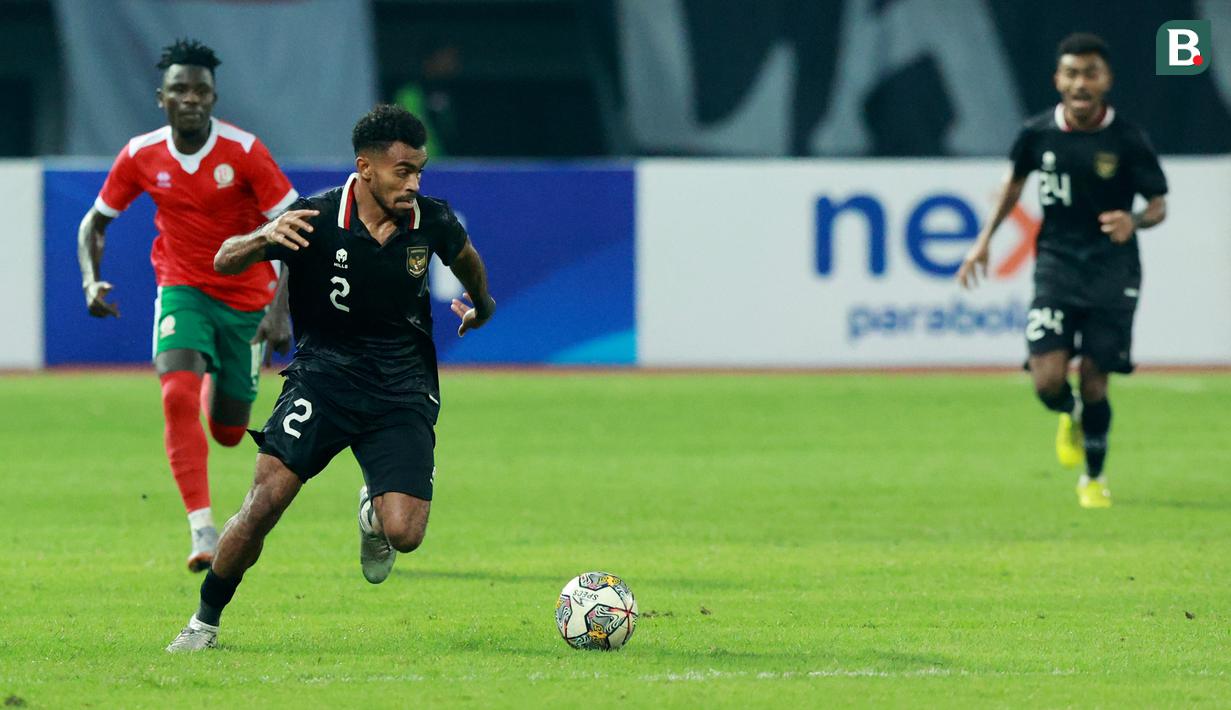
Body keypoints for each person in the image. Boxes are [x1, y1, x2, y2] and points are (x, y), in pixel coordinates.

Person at [166, 104, 496, 652]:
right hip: (323, 379)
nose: (414, 184)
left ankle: (373, 513)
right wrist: (263, 237)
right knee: (264, 502)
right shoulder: (313, 218)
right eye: (403, 172)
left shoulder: (430, 220)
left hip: (401, 388)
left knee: (405, 534)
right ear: (365, 167)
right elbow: (224, 259)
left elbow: (466, 258)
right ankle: (203, 623)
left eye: (419, 171)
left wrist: (481, 305)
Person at [77, 39, 299, 570]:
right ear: (162, 98)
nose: (191, 98)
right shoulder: (141, 154)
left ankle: (212, 377)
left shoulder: (244, 151)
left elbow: (294, 227)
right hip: (182, 288)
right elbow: (94, 222)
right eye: (180, 89)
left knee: (228, 431)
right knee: (175, 392)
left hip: (248, 298)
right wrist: (90, 280)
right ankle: (203, 530)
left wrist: (279, 308)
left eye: (201, 90)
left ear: (214, 96)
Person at [957, 33, 1168, 509]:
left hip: (1113, 270)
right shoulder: (1036, 133)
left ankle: (1093, 478)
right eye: (1072, 73)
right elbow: (1013, 187)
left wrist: (1132, 220)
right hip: (1056, 267)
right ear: (1058, 80)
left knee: (1095, 378)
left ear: (1106, 80)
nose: (1080, 83)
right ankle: (1067, 412)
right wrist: (983, 242)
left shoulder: (1128, 138)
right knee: (1047, 381)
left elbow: (1158, 204)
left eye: (1090, 73)